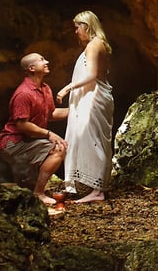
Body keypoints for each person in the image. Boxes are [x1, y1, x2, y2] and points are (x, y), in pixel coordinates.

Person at [56, 10, 114, 203]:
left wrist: (66, 89)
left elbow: (92, 75)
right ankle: (92, 187)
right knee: (90, 139)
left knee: (93, 141)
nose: (76, 32)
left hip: (94, 98)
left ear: (87, 26)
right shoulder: (97, 44)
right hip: (92, 97)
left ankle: (98, 191)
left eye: (77, 27)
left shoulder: (94, 45)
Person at [0, 53, 69, 207]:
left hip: (29, 141)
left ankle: (32, 193)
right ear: (31, 68)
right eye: (42, 60)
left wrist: (76, 110)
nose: (47, 61)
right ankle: (39, 193)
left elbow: (51, 114)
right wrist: (49, 134)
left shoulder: (45, 88)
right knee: (58, 148)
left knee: (24, 185)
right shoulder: (23, 93)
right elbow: (22, 125)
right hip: (13, 143)